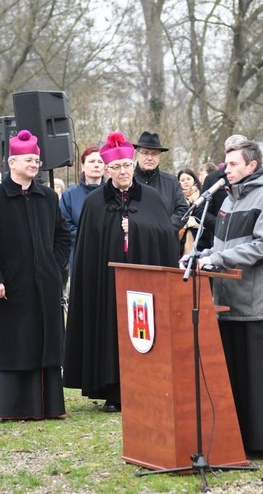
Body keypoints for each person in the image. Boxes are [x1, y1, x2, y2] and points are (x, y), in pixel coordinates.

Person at [187, 139, 263, 458]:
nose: (227, 169)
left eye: (234, 164)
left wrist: (218, 261)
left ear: (252, 165)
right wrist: (200, 256)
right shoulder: (227, 200)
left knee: (259, 380)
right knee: (234, 377)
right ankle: (236, 437)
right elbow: (223, 247)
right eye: (226, 164)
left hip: (254, 304)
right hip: (226, 301)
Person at [64, 132, 180, 413]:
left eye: (127, 166)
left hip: (144, 282)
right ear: (107, 170)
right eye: (116, 167)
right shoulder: (94, 204)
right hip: (108, 283)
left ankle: (148, 385)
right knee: (111, 331)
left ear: (133, 164)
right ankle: (112, 390)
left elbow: (165, 235)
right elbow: (87, 249)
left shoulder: (151, 198)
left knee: (145, 332)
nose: (123, 171)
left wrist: (136, 229)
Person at [0, 129, 71, 420]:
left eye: (36, 160)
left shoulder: (48, 197)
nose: (34, 164)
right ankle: (12, 408)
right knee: (15, 344)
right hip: (9, 287)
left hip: (44, 287)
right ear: (11, 162)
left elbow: (62, 237)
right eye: (28, 159)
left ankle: (48, 406)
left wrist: (53, 265)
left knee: (45, 344)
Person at [59, 146, 105, 274]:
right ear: (83, 166)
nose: (96, 165)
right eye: (91, 161)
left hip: (108, 256)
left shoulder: (114, 194)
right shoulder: (69, 196)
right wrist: (89, 235)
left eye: (100, 162)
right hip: (81, 256)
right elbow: (65, 226)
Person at [132, 131, 189, 230]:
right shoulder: (127, 181)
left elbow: (183, 211)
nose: (150, 158)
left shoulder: (172, 182)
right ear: (137, 155)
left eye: (154, 154)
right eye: (145, 153)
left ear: (159, 156)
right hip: (136, 241)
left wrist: (162, 228)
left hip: (165, 241)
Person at [177, 168, 202, 255]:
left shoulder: (202, 195)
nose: (186, 182)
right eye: (182, 180)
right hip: (182, 236)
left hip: (201, 237)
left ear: (194, 179)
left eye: (188, 179)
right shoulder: (177, 197)